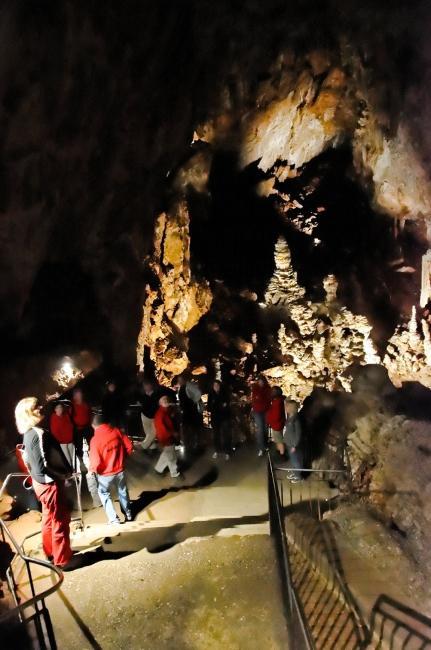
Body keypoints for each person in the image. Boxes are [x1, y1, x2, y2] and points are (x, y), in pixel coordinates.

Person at [15, 397, 79, 571]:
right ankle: (63, 559)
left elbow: (34, 464)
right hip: (49, 484)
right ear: (29, 413)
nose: (41, 407)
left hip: (40, 484)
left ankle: (51, 552)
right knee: (60, 520)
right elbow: (43, 465)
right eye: (37, 406)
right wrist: (63, 475)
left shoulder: (28, 433)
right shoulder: (36, 433)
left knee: (49, 518)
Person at [89, 415, 134, 524]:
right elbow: (129, 446)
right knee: (122, 491)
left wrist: (92, 470)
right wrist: (123, 459)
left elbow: (96, 461)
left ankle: (114, 519)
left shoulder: (95, 440)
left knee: (103, 493)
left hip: (105, 474)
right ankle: (128, 513)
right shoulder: (116, 431)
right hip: (120, 470)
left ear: (93, 426)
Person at [174, 374, 203, 450]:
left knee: (191, 429)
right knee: (189, 429)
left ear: (184, 380)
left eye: (180, 380)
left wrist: (194, 402)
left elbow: (198, 395)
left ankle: (193, 445)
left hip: (191, 412)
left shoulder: (187, 386)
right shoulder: (183, 387)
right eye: (178, 380)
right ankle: (190, 445)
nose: (179, 382)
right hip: (188, 412)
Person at [154, 396, 180, 478]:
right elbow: (162, 429)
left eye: (166, 399)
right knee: (171, 457)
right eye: (163, 400)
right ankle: (174, 472)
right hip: (166, 438)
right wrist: (173, 434)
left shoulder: (165, 411)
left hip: (166, 437)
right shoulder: (160, 414)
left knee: (166, 454)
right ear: (160, 403)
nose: (166, 401)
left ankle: (158, 469)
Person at [208, 380, 232, 460]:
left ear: (220, 385)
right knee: (216, 435)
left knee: (226, 435)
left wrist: (217, 406)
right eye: (214, 385)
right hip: (215, 418)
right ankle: (217, 450)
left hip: (224, 417)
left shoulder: (224, 393)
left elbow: (226, 405)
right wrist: (220, 406)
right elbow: (209, 407)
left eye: (217, 385)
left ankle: (227, 451)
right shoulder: (211, 394)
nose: (216, 387)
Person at [50, 402, 76, 470]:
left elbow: (70, 425)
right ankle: (69, 476)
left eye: (61, 407)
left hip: (70, 441)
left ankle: (73, 473)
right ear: (55, 409)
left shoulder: (66, 415)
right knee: (68, 460)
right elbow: (54, 433)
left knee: (72, 459)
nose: (60, 409)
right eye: (58, 408)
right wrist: (62, 441)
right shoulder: (54, 418)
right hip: (63, 443)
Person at [251, 375, 271, 456]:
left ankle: (265, 444)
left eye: (262, 381)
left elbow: (268, 399)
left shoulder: (267, 388)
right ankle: (261, 447)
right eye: (259, 381)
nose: (261, 383)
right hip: (258, 411)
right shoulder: (255, 388)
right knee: (260, 429)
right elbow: (255, 399)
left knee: (265, 428)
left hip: (266, 410)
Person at [283, 400, 303, 482]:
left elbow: (298, 433)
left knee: (295, 460)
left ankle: (298, 476)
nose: (285, 408)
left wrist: (295, 445)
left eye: (287, 406)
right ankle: (295, 472)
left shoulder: (296, 419)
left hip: (293, 444)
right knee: (293, 459)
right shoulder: (290, 417)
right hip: (289, 442)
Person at [71, 388, 92, 459]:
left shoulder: (85, 404)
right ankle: (81, 462)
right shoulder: (72, 406)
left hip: (87, 428)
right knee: (79, 447)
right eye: (77, 394)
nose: (79, 396)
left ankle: (93, 459)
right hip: (78, 429)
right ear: (74, 396)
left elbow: (89, 413)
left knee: (91, 444)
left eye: (80, 394)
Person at [139, 379, 160, 450]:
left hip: (154, 416)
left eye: (147, 385)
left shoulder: (156, 394)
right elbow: (141, 403)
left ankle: (143, 446)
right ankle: (152, 447)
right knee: (148, 433)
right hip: (145, 416)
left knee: (154, 432)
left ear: (151, 386)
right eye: (145, 386)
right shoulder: (143, 395)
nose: (146, 387)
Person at [266, 386, 286, 455]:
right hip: (277, 424)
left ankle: (282, 454)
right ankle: (279, 452)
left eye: (273, 391)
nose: (271, 392)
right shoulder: (277, 400)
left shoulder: (277, 402)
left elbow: (276, 416)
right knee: (277, 440)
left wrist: (269, 419)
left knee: (279, 440)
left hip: (277, 424)